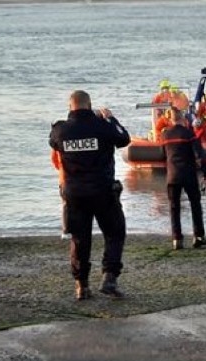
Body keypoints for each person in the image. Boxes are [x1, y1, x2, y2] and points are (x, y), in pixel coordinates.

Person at [49, 90, 130, 300]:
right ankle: (109, 278)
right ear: (90, 105)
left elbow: (53, 143)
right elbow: (124, 138)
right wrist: (110, 118)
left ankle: (81, 285)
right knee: (115, 233)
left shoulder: (61, 130)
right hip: (103, 191)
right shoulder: (103, 126)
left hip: (74, 194)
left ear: (70, 107)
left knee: (79, 239)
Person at [161, 107, 206, 250]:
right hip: (188, 174)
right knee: (195, 204)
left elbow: (162, 155)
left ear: (170, 119)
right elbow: (199, 154)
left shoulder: (165, 136)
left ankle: (177, 239)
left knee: (174, 207)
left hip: (172, 175)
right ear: (183, 118)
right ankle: (198, 236)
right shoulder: (189, 134)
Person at [51, 148, 70, 240]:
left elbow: (54, 160)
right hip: (78, 178)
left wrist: (61, 168)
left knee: (65, 205)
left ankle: (65, 230)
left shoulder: (59, 140)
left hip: (64, 179)